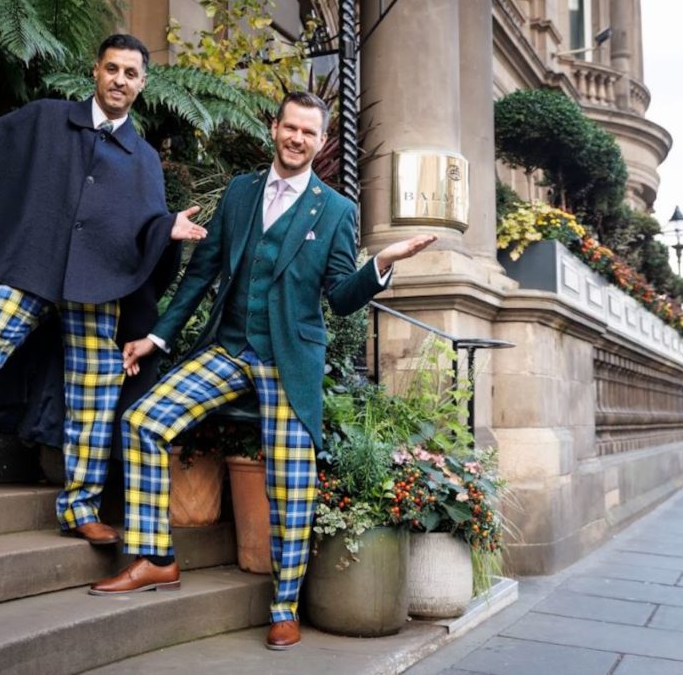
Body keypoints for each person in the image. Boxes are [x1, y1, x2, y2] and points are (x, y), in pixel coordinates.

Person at [87, 91, 436, 649]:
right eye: (290, 128)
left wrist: (382, 265)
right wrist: (156, 336)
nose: (297, 139)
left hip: (287, 363)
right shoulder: (241, 192)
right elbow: (201, 273)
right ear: (274, 129)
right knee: (142, 422)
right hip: (229, 349)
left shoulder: (337, 210)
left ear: (320, 142)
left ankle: (284, 606)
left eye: (309, 133)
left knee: (292, 485)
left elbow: (342, 298)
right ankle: (156, 557)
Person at [0, 34, 208, 548]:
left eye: (131, 73)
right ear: (96, 71)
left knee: (94, 396)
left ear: (143, 83)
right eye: (112, 69)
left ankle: (80, 507)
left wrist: (165, 229)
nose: (120, 80)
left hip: (98, 284)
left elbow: (141, 225)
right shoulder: (46, 118)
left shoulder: (144, 158)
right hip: (31, 266)